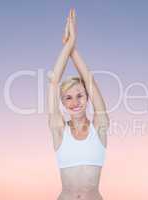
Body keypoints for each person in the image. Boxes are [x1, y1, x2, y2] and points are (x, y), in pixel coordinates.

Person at [47, 8, 109, 200]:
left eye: (80, 95)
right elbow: (54, 82)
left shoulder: (100, 126)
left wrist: (73, 47)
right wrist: (68, 45)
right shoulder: (58, 129)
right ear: (62, 103)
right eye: (68, 97)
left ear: (88, 97)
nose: (74, 102)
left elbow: (89, 80)